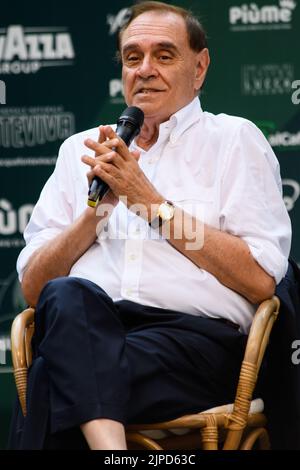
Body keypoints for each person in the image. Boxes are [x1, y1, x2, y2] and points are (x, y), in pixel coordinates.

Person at [11, 1, 291, 450]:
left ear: (198, 68)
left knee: (51, 373)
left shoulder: (234, 141)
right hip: (88, 330)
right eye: (132, 57)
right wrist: (96, 213)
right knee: (64, 296)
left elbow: (260, 280)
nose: (144, 69)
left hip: (191, 346)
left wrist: (152, 205)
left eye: (164, 55)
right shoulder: (79, 151)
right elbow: (34, 288)